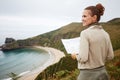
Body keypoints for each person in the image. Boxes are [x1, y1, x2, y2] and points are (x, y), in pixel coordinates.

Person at [71, 3, 114, 80]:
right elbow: (110, 56)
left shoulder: (85, 33)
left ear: (94, 17)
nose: (82, 19)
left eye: (85, 16)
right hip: (103, 74)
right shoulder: (105, 34)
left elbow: (83, 58)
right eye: (82, 16)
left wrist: (75, 56)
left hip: (87, 76)